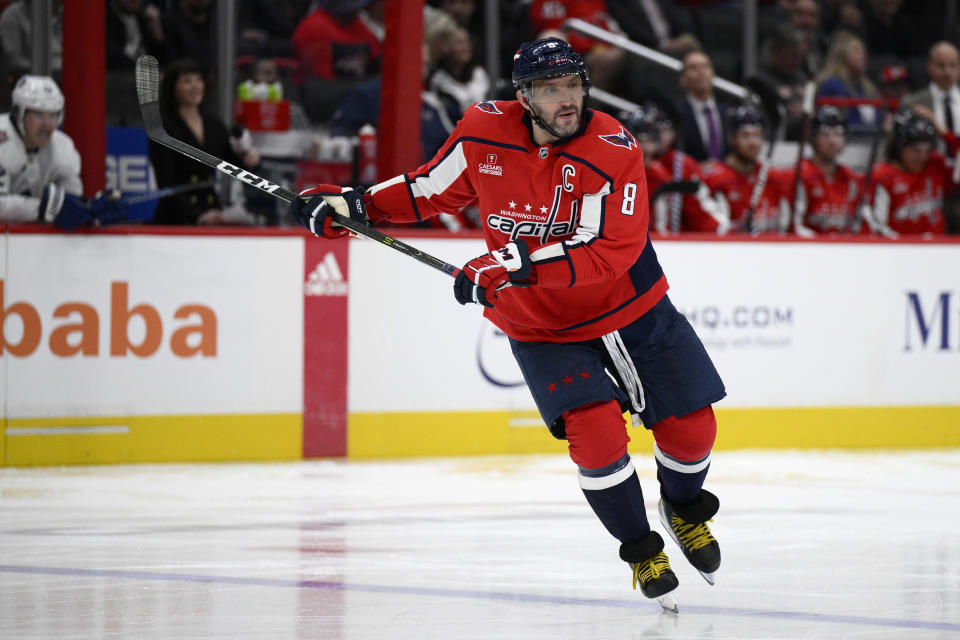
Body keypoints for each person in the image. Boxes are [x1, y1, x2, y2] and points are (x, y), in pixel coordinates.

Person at [288, 37, 726, 611]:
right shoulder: (482, 131)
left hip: (631, 306)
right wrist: (357, 207)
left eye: (573, 85)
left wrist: (513, 263)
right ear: (523, 96)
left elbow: (608, 251)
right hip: (541, 325)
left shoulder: (614, 147)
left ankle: (684, 507)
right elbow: (428, 190)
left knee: (692, 430)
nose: (567, 100)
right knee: (595, 441)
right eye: (550, 90)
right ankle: (641, 547)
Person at [149, 59, 261, 225]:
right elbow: (166, 182)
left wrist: (250, 161)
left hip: (211, 211)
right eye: (187, 81)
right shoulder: (163, 129)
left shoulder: (213, 123)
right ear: (173, 86)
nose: (195, 86)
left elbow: (232, 164)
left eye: (198, 80)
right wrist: (197, 216)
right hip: (177, 217)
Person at [0, 74, 90, 229]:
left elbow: (71, 202)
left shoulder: (64, 148)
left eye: (53, 116)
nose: (47, 125)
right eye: (39, 115)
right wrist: (43, 208)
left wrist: (88, 209)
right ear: (19, 113)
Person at [626, 104, 727, 234]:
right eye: (641, 139)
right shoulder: (619, 169)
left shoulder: (678, 168)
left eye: (650, 139)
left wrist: (720, 229)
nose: (646, 148)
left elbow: (699, 211)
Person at [867, 109, 957, 236]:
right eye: (916, 150)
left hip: (938, 250)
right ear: (900, 147)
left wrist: (945, 133)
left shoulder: (936, 165)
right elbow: (877, 227)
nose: (922, 157)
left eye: (927, 150)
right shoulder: (883, 176)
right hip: (899, 251)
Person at [701, 105, 790, 233]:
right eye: (745, 135)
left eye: (757, 135)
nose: (753, 142)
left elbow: (785, 227)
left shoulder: (772, 177)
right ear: (731, 138)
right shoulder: (714, 179)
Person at [789, 105, 866, 235]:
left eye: (838, 134)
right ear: (813, 137)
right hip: (808, 250)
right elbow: (794, 226)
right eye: (825, 135)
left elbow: (859, 223)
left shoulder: (850, 177)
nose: (833, 141)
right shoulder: (799, 175)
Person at [816, 31, 879, 133]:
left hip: (870, 141)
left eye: (863, 52)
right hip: (846, 141)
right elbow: (839, 122)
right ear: (842, 55)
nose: (863, 56)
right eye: (857, 52)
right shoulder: (832, 86)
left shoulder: (867, 86)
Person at [676, 51, 731, 163]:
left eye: (705, 66)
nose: (701, 72)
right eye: (693, 68)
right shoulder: (676, 115)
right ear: (683, 78)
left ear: (713, 73)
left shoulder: (727, 112)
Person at [900, 42, 960, 139]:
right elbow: (895, 148)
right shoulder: (911, 103)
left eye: (953, 65)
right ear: (929, 67)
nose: (947, 72)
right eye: (941, 65)